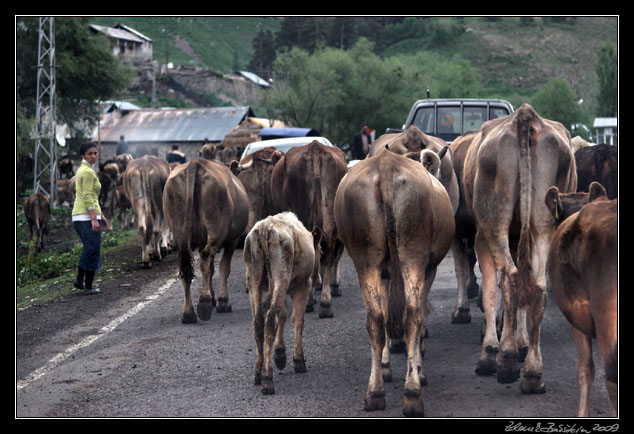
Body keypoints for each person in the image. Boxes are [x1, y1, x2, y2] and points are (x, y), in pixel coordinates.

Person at [72, 143, 110, 295]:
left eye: (95, 153)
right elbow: (88, 196)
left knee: (90, 248)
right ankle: (86, 285)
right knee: (92, 249)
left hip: (82, 216)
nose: (94, 156)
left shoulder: (84, 170)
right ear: (83, 155)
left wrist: (101, 216)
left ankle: (81, 280)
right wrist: (94, 219)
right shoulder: (87, 172)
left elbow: (93, 197)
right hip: (85, 217)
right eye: (90, 154)